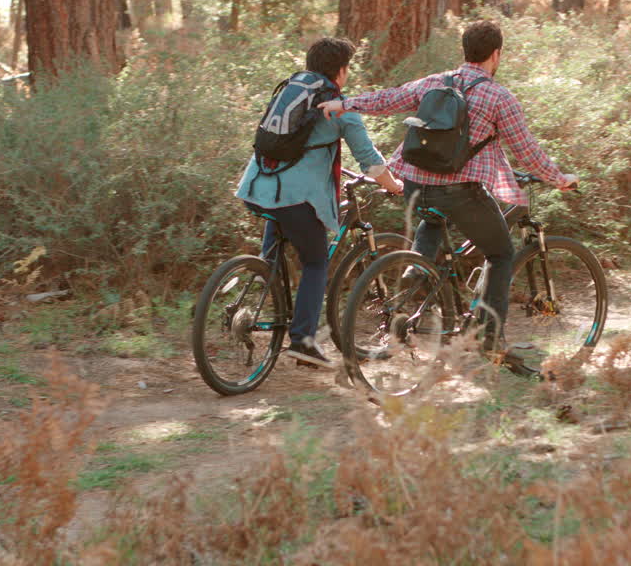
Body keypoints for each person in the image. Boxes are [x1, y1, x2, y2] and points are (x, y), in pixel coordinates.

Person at [319, 20, 577, 358]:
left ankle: (417, 276)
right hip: (459, 192)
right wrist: (559, 178)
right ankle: (490, 337)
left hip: (414, 185)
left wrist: (345, 104)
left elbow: (390, 99)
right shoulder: (498, 96)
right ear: (496, 55)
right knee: (500, 254)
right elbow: (527, 152)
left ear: (465, 51)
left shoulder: (436, 82)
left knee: (433, 221)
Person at [237, 37, 403, 368]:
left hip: (259, 188)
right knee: (315, 264)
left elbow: (301, 146)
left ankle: (261, 288)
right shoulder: (340, 108)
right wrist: (394, 185)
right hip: (297, 198)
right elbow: (371, 161)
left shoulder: (294, 89)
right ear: (341, 71)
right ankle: (303, 342)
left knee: (277, 245)